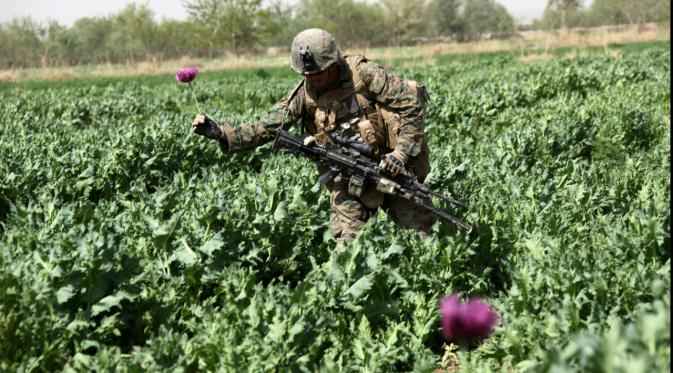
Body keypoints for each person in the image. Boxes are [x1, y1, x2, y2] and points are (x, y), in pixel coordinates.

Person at [192, 28, 436, 252]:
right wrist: (222, 133)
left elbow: (411, 105)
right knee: (347, 251)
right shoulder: (303, 95)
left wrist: (401, 154)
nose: (314, 78)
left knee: (421, 238)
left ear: (334, 62)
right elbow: (266, 127)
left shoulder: (363, 73)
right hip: (348, 173)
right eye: (308, 74)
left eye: (319, 72)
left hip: (393, 165)